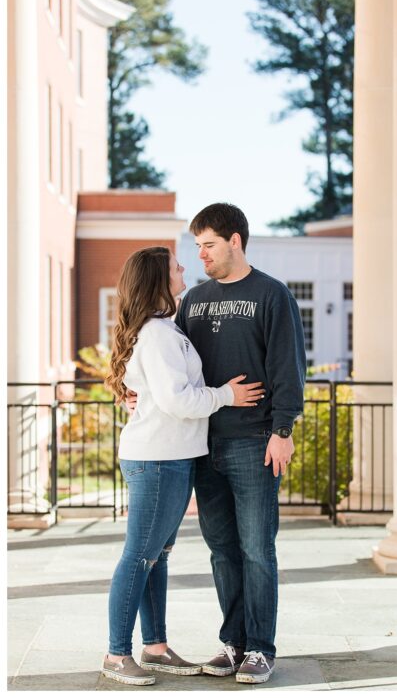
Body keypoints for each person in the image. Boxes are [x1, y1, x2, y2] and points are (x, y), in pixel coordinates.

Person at [102, 246, 263, 686]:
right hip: (157, 460)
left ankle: (154, 647)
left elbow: (156, 391)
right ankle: (117, 654)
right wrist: (226, 395)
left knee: (157, 557)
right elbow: (177, 400)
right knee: (139, 557)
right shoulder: (157, 335)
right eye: (176, 266)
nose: (184, 270)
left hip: (170, 457)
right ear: (159, 278)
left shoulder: (163, 329)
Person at [174, 203, 306, 684]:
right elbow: (175, 365)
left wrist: (283, 430)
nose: (201, 255)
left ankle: (261, 649)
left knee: (256, 549)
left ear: (235, 240)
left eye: (208, 245)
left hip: (255, 441)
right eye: (197, 247)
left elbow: (288, 366)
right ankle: (232, 644)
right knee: (221, 550)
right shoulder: (192, 300)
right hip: (203, 444)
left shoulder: (272, 294)